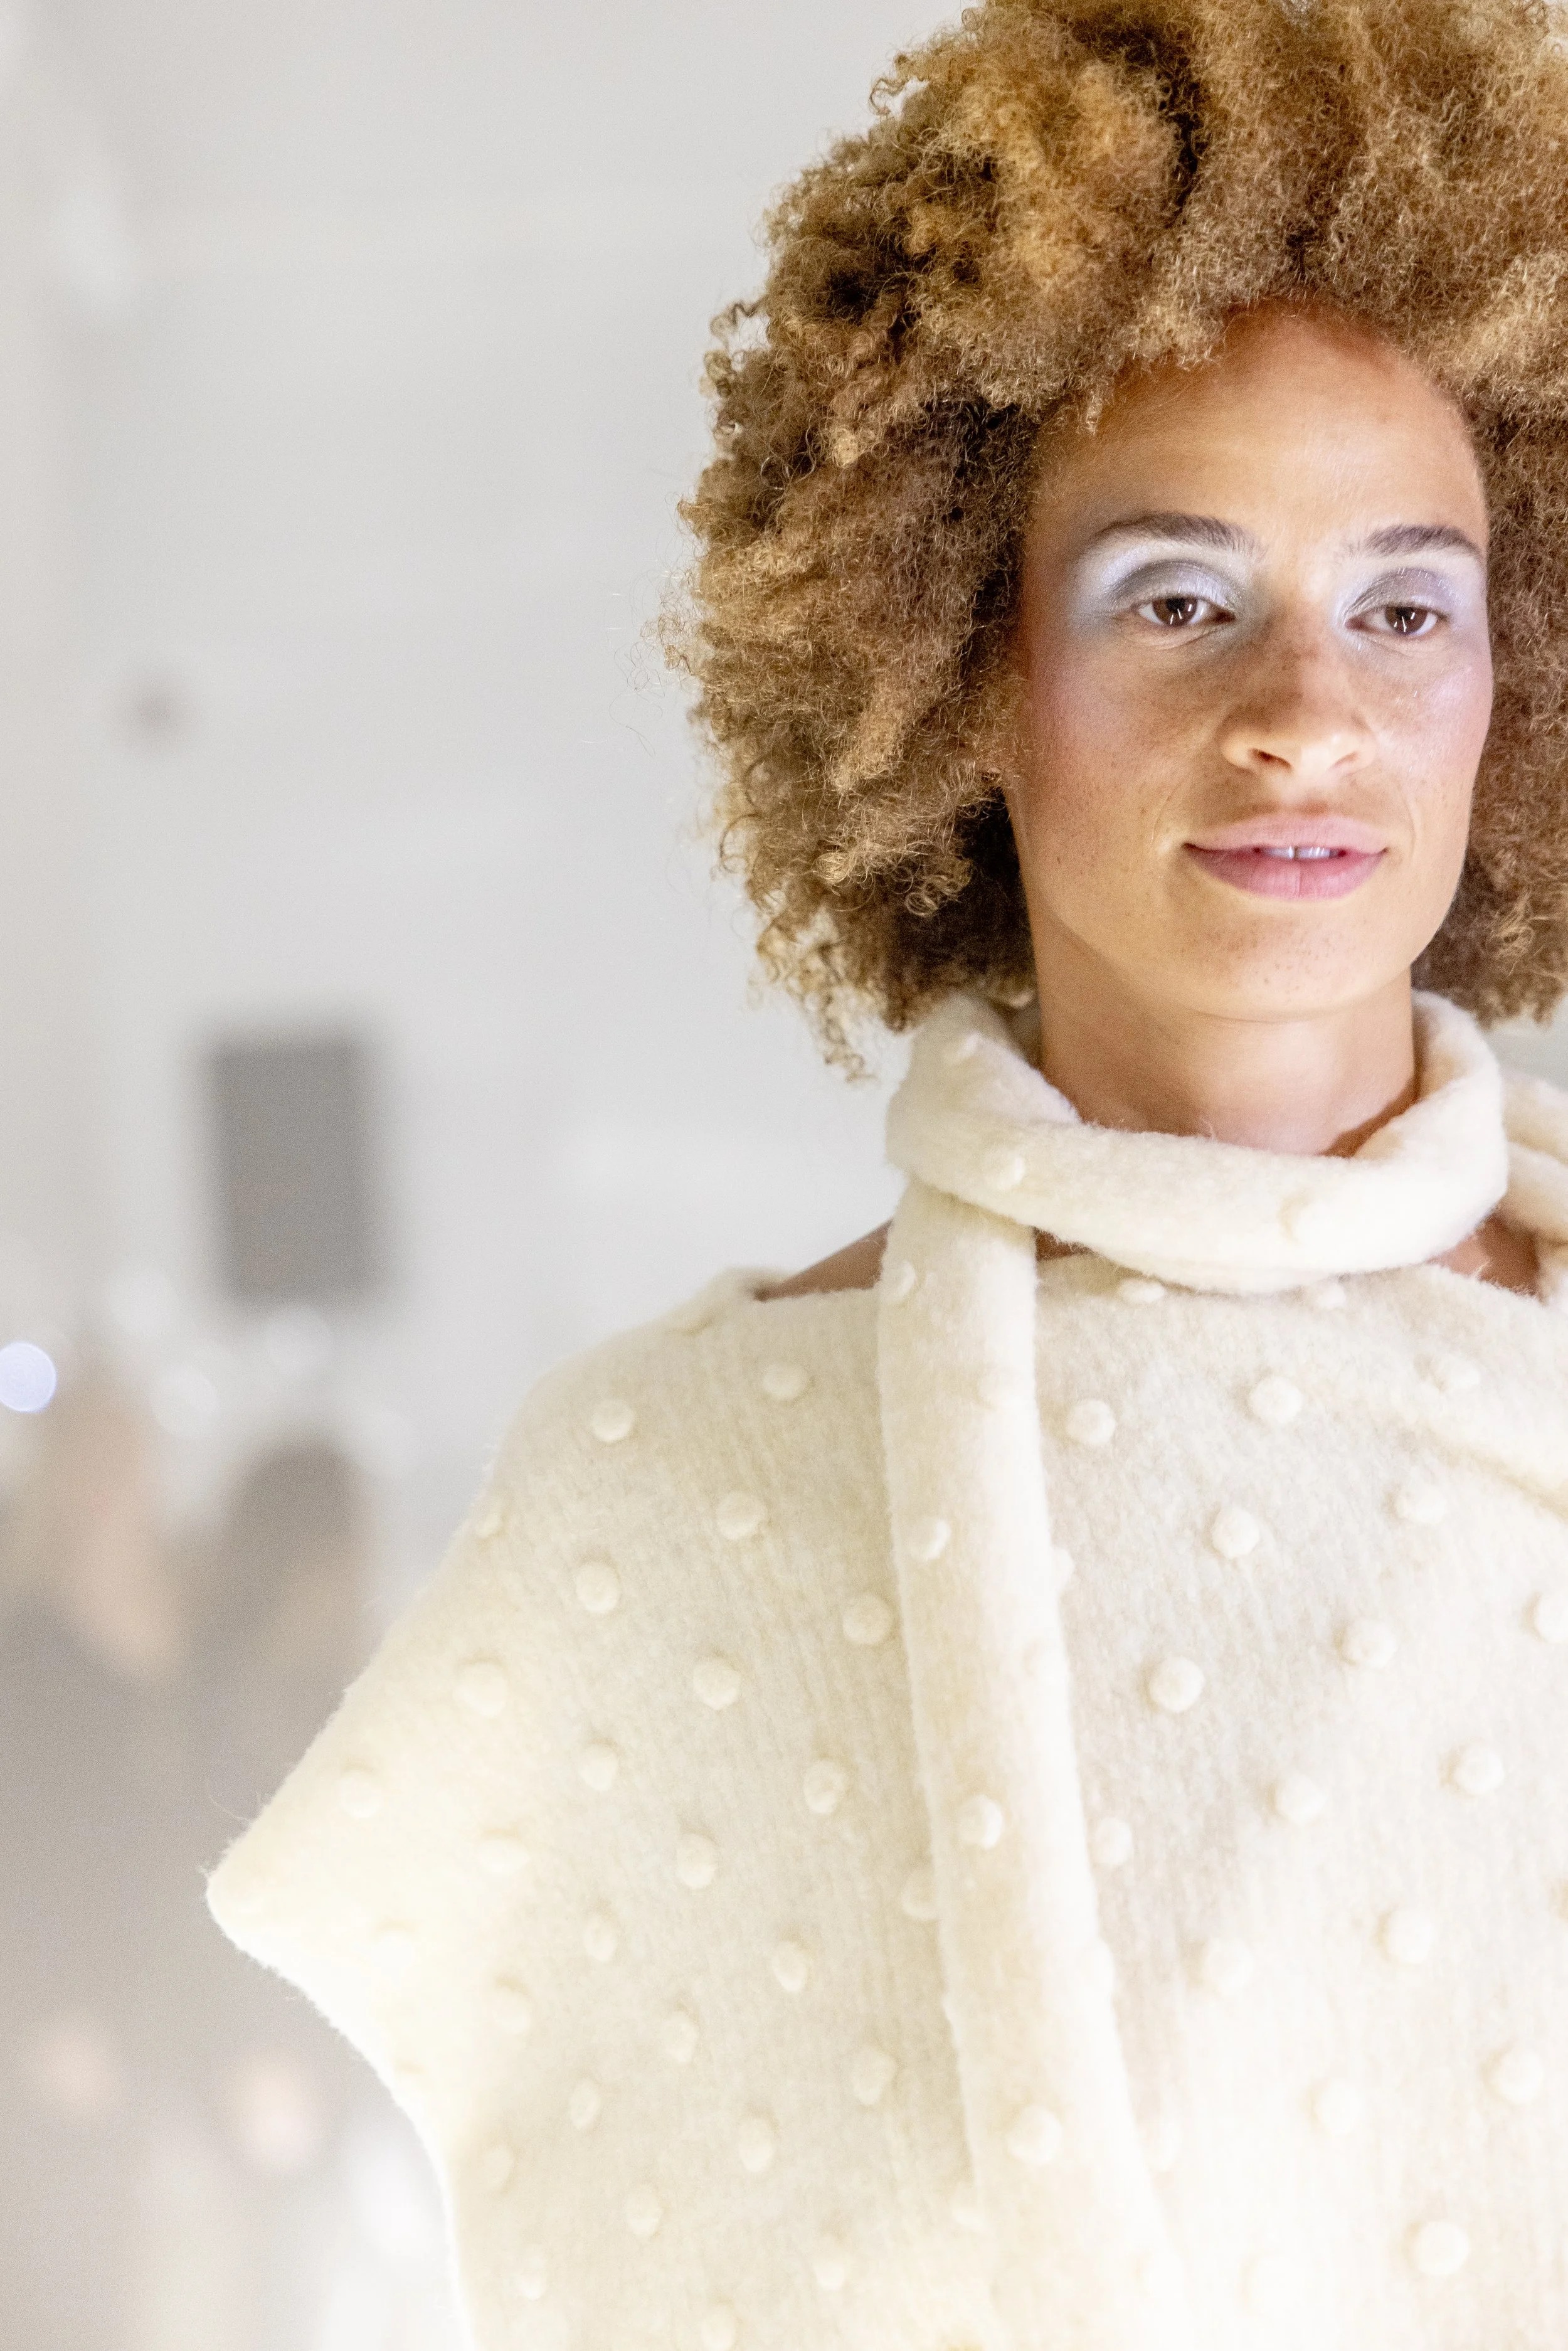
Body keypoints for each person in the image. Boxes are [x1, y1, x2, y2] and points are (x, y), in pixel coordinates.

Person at [208, 3, 1568, 2346]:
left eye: (1402, 604)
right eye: (1173, 597)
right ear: (958, 673)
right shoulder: (677, 1496)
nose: (1306, 713)